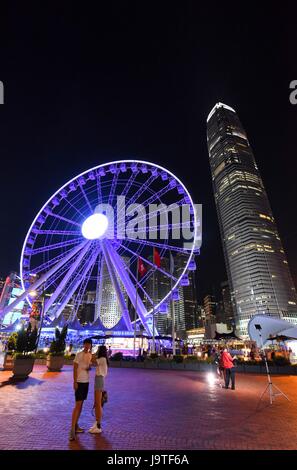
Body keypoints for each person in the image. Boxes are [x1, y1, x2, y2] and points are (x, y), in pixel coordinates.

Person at [69, 338, 93, 441]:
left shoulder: (90, 355)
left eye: (89, 344)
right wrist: (74, 381)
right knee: (77, 405)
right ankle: (72, 430)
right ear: (83, 345)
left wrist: (89, 368)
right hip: (79, 382)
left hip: (86, 382)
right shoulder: (79, 355)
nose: (87, 346)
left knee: (81, 405)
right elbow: (74, 368)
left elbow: (89, 366)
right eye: (86, 344)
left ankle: (76, 426)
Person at [89, 345, 109, 434]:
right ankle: (97, 423)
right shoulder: (103, 359)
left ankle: (98, 425)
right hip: (99, 379)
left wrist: (91, 352)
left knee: (98, 403)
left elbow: (92, 361)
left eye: (98, 350)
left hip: (99, 379)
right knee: (97, 403)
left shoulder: (102, 359)